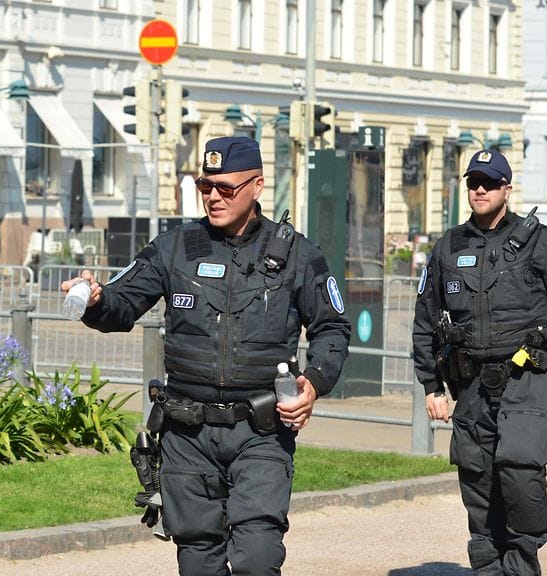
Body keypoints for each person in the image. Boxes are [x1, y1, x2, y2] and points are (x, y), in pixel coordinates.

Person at [63, 136, 351, 575]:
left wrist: (312, 383)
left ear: (256, 186)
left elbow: (332, 327)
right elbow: (120, 306)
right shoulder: (175, 248)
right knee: (197, 559)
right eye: (205, 186)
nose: (213, 197)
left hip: (260, 431)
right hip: (186, 432)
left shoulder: (296, 253)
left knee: (257, 558)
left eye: (226, 188)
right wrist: (96, 301)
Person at [412, 149, 547, 575]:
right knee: (476, 477)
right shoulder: (448, 247)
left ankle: (521, 564)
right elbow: (424, 321)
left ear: (507, 189)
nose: (479, 190)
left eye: (489, 183)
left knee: (519, 468)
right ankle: (489, 567)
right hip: (471, 383)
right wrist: (430, 385)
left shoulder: (541, 241)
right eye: (473, 183)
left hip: (527, 377)